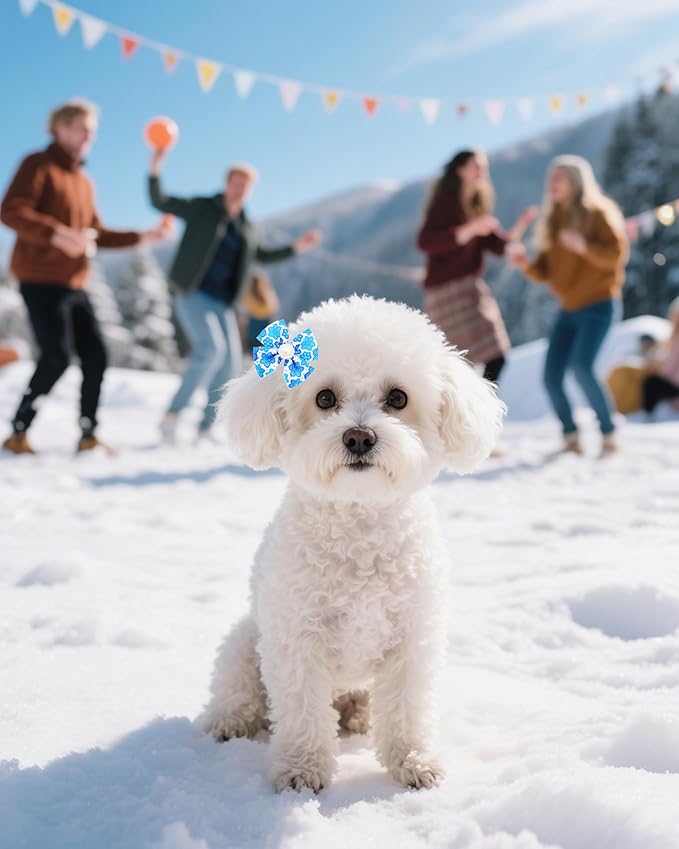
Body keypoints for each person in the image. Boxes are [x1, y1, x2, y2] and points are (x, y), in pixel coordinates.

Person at [1, 99, 170, 455]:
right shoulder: (38, 165)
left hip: (75, 281)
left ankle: (88, 434)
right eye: (81, 127)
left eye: (92, 130)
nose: (88, 135)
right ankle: (18, 431)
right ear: (59, 128)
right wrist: (55, 233)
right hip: (39, 277)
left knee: (96, 354)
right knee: (56, 356)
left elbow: (98, 232)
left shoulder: (83, 180)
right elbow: (11, 211)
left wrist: (144, 236)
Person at [148, 149, 321, 443]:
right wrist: (155, 167)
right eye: (235, 182)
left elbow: (262, 256)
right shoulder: (204, 208)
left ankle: (204, 427)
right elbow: (160, 201)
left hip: (223, 302)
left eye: (245, 185)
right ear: (227, 184)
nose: (239, 188)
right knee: (209, 349)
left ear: (250, 190)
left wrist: (296, 248)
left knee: (229, 364)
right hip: (192, 292)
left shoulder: (247, 227)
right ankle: (172, 416)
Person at [507, 155, 629, 456]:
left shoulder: (598, 214)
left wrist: (584, 247)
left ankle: (609, 432)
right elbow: (546, 273)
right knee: (551, 377)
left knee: (581, 367)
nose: (552, 184)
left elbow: (616, 256)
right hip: (569, 309)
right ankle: (571, 435)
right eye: (551, 178)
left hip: (599, 305)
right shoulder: (553, 221)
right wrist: (525, 264)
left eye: (558, 177)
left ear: (576, 181)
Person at [417, 149, 537, 384]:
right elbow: (426, 241)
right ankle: (465, 413)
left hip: (471, 292)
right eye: (476, 165)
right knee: (455, 368)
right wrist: (471, 229)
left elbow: (500, 245)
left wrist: (521, 227)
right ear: (460, 170)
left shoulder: (477, 207)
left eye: (484, 166)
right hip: (445, 295)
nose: (482, 171)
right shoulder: (445, 203)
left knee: (497, 357)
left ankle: (482, 410)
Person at [641, 297, 679, 415]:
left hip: (675, 386)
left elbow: (670, 369)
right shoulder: (672, 340)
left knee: (651, 383)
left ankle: (647, 415)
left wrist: (658, 368)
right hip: (673, 383)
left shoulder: (676, 340)